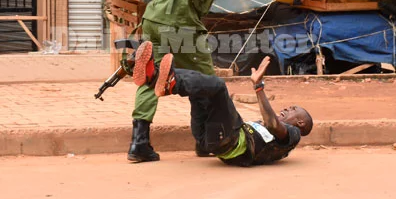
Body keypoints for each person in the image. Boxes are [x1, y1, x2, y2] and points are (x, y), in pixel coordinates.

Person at [129, 0, 291, 163]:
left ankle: (139, 143)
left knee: (152, 74)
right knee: (207, 81)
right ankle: (204, 140)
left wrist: (153, 5)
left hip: (155, 17)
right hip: (178, 24)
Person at [131, 41, 313, 166]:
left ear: (300, 123)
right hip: (210, 140)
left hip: (230, 142)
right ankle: (154, 77)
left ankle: (170, 83)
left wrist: (258, 87)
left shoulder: (293, 134)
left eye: (293, 109)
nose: (287, 108)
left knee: (218, 86)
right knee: (203, 89)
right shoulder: (276, 137)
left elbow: (273, 125)